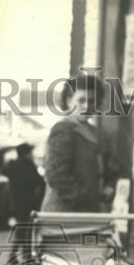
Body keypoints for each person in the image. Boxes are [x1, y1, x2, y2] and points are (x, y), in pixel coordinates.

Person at [40, 72, 119, 214]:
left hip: (91, 212)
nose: (87, 105)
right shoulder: (63, 131)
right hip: (64, 214)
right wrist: (85, 198)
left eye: (92, 100)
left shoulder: (98, 134)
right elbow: (57, 175)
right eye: (81, 100)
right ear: (69, 101)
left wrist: (109, 186)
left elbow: (110, 168)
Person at [3, 142, 46, 265]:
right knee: (25, 229)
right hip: (27, 202)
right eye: (30, 153)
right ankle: (24, 255)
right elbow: (39, 182)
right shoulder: (28, 166)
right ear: (26, 154)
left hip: (15, 202)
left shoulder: (12, 166)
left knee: (22, 228)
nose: (32, 155)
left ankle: (17, 255)